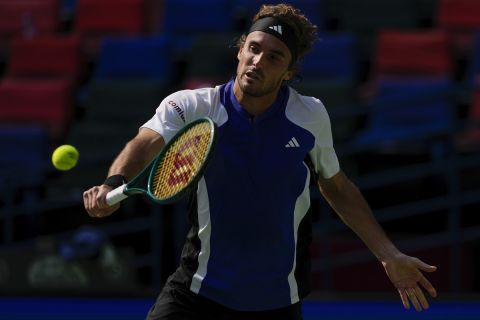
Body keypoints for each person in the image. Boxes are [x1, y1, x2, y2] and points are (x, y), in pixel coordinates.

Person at [83, 3, 437, 319]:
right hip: (197, 291)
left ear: (288, 72)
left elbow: (336, 185)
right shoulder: (193, 106)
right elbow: (146, 142)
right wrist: (114, 184)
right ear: (240, 50)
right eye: (254, 49)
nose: (258, 61)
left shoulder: (310, 116)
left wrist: (388, 254)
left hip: (277, 301)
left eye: (274, 57)